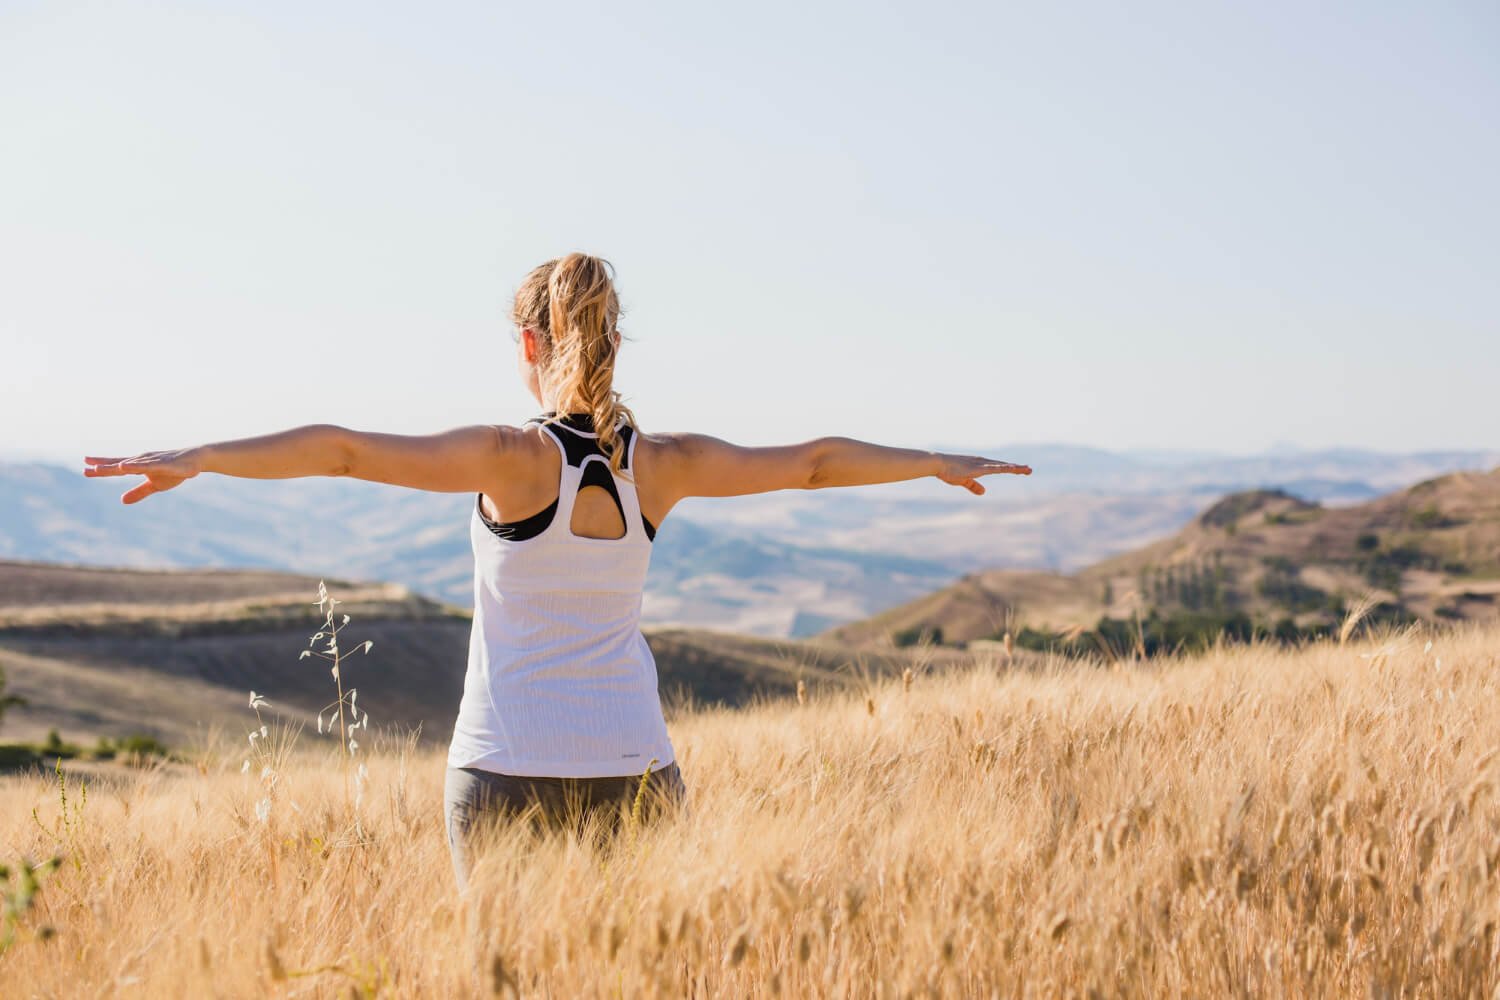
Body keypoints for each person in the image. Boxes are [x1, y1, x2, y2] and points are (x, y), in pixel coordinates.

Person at [83, 252, 1032, 888]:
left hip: (503, 770)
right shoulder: (660, 463)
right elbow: (817, 461)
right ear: (613, 342)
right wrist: (933, 461)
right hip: (636, 769)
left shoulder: (510, 457)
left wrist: (198, 455)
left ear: (532, 346)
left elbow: (340, 450)